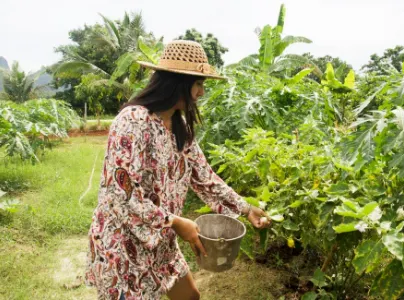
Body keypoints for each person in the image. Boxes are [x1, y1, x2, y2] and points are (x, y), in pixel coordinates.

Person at [85, 40, 271, 300]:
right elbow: (122, 195)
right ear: (177, 82)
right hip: (124, 241)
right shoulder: (131, 122)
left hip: (160, 240)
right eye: (198, 83)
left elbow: (205, 178)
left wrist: (246, 209)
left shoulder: (178, 124)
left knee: (189, 297)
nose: (202, 92)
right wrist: (173, 221)